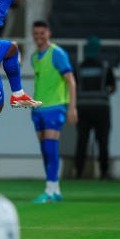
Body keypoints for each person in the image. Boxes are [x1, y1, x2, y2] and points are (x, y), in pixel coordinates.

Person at [29, 21, 77, 203]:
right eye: (36, 33)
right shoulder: (34, 57)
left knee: (50, 147)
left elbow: (71, 81)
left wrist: (72, 107)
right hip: (38, 108)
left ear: (48, 33)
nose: (38, 36)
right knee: (44, 150)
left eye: (42, 33)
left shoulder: (57, 53)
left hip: (55, 107)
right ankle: (55, 189)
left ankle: (49, 190)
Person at [74, 36, 116, 179]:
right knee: (103, 142)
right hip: (101, 110)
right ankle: (104, 172)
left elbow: (72, 87)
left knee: (82, 141)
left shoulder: (78, 68)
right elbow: (113, 87)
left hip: (83, 109)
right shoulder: (105, 67)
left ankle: (78, 172)